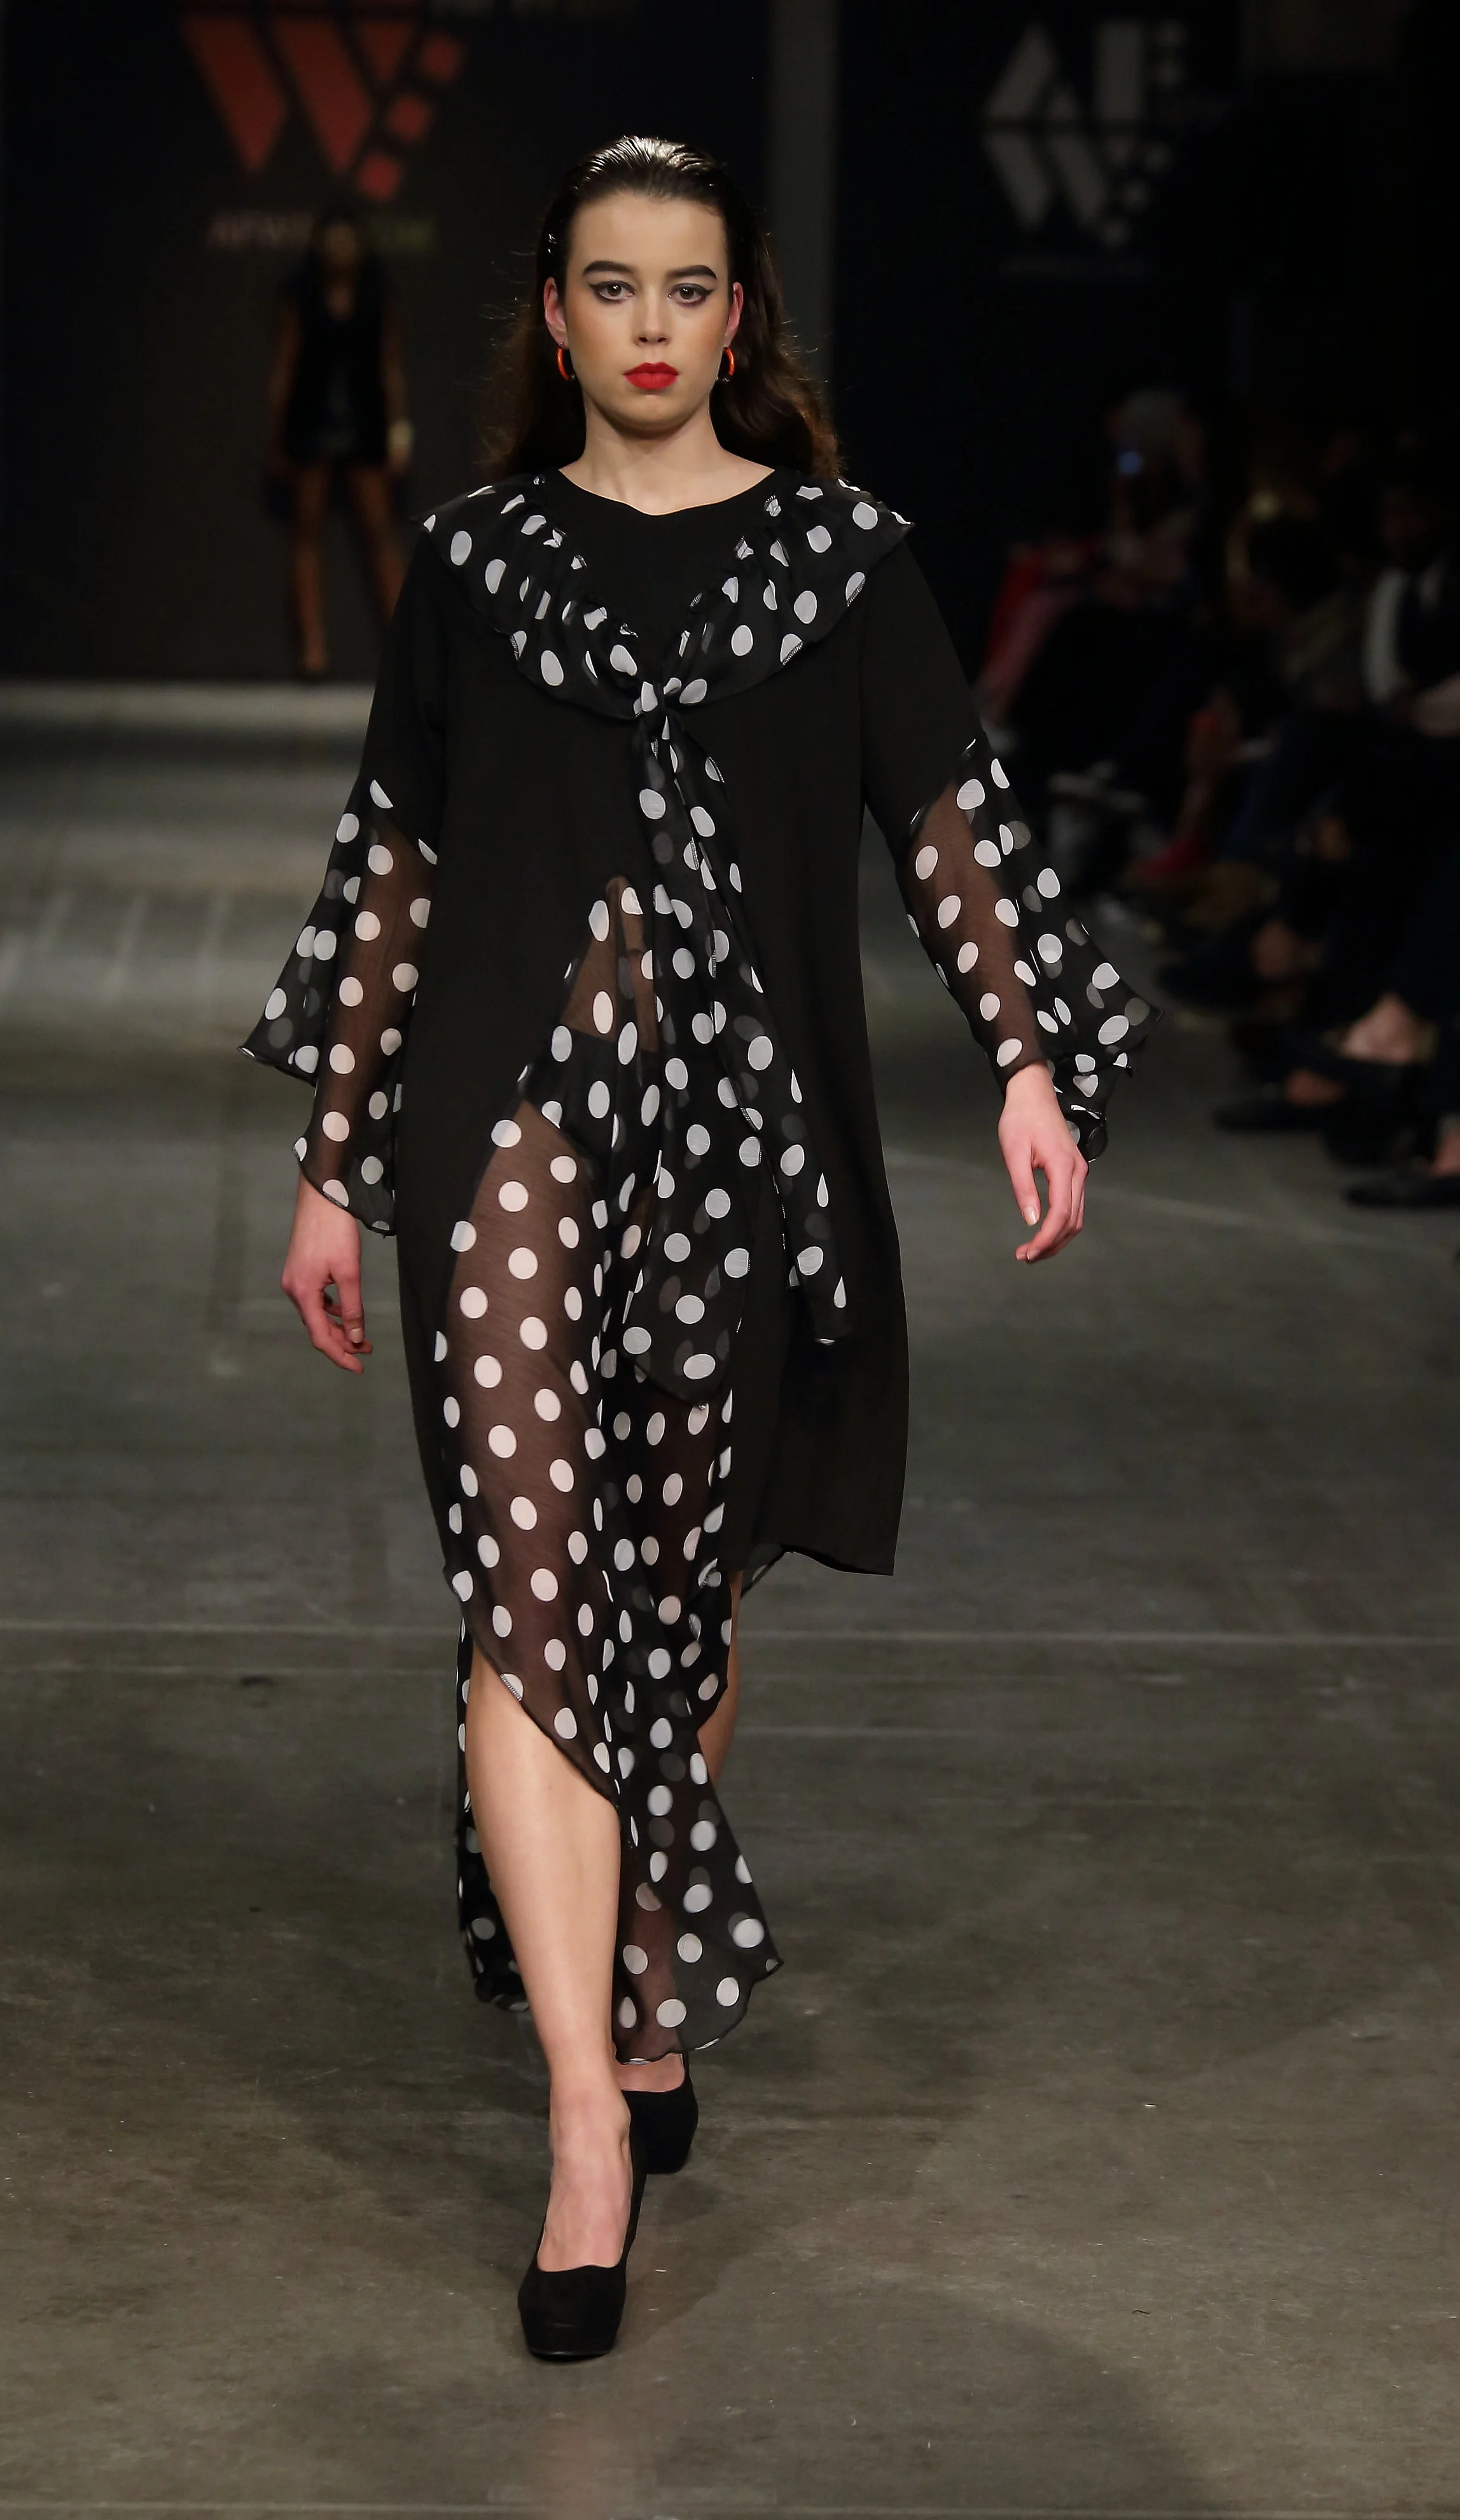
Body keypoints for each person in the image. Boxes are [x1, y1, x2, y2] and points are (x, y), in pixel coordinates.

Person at [244, 137, 1155, 2361]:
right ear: (553, 316)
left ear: (736, 319)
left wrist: (1030, 1060)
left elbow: (951, 817)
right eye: (609, 286)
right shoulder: (474, 562)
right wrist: (336, 1163)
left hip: (746, 1156)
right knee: (529, 1586)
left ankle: (640, 1964)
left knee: (675, 1590)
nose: (648, 325)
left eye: (686, 289)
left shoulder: (839, 565)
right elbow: (397, 862)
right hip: (504, 1132)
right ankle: (584, 2111)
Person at [267, 207, 413, 678]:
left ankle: (405, 648)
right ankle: (312, 651)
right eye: (333, 241)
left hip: (365, 423)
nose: (341, 250)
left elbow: (390, 367)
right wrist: (276, 435)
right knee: (306, 535)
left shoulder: (376, 296)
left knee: (381, 535)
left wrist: (399, 430)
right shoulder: (300, 295)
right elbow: (285, 364)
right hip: (311, 423)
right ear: (318, 246)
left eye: (349, 240)